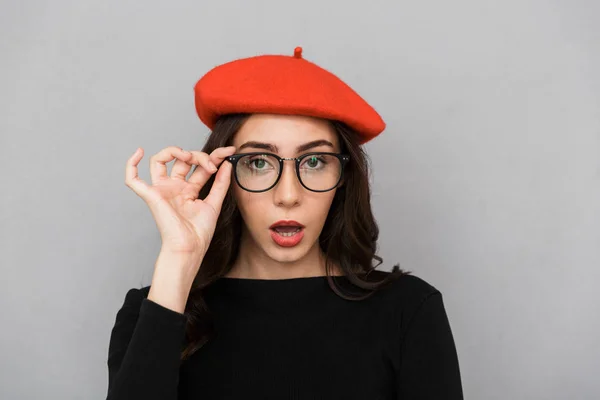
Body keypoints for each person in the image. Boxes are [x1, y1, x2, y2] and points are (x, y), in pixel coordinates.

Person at [106, 46, 464, 399]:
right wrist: (179, 259)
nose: (288, 195)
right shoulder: (154, 310)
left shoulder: (408, 310)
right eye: (260, 162)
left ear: (344, 177)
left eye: (314, 161)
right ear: (223, 175)